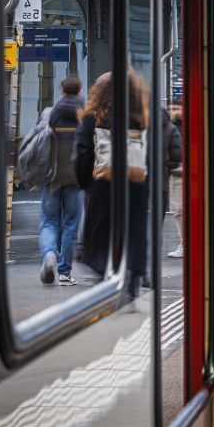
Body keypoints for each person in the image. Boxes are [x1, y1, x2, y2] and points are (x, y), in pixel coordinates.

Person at [75, 70, 150, 284]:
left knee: (100, 235)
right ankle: (135, 273)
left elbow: (82, 153)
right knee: (134, 230)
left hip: (102, 185)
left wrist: (86, 183)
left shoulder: (91, 118)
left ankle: (108, 275)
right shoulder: (142, 117)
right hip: (136, 183)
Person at [37, 75, 85, 286]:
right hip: (75, 178)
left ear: (62, 91)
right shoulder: (86, 113)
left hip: (51, 177)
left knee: (49, 222)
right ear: (79, 91)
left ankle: (49, 254)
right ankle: (65, 273)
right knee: (71, 225)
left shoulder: (50, 113)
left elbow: (37, 142)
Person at [165, 100, 185, 258]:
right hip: (177, 172)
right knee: (178, 209)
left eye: (176, 108)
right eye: (170, 109)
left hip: (188, 171)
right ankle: (185, 242)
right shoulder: (169, 126)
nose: (173, 112)